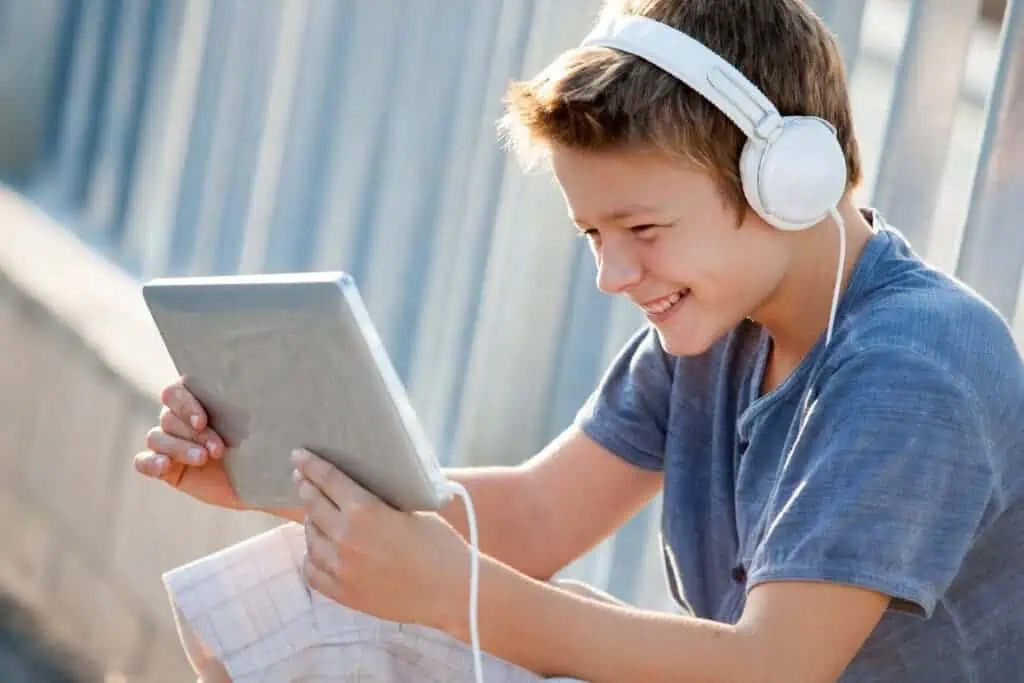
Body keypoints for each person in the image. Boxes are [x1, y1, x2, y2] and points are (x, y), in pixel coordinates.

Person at [135, 0, 1024, 681]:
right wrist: (280, 476)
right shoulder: (719, 328)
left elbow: (773, 667)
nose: (612, 274)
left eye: (641, 227)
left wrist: (455, 592)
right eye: (594, 235)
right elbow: (528, 515)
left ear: (790, 182)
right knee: (291, 589)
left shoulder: (915, 364)